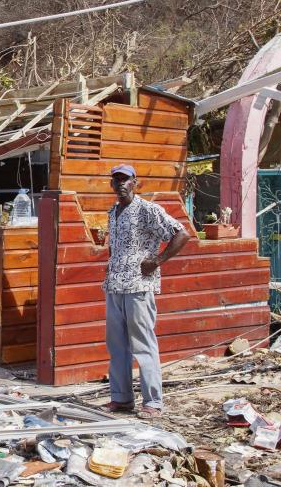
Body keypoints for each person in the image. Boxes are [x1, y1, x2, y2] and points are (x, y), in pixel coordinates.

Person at [102, 164, 190, 419]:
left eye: (125, 180)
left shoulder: (147, 210)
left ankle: (153, 402)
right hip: (115, 284)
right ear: (111, 184)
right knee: (117, 345)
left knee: (143, 344)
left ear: (135, 183)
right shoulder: (113, 212)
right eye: (116, 179)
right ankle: (121, 398)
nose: (121, 183)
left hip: (139, 285)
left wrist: (158, 260)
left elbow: (181, 233)